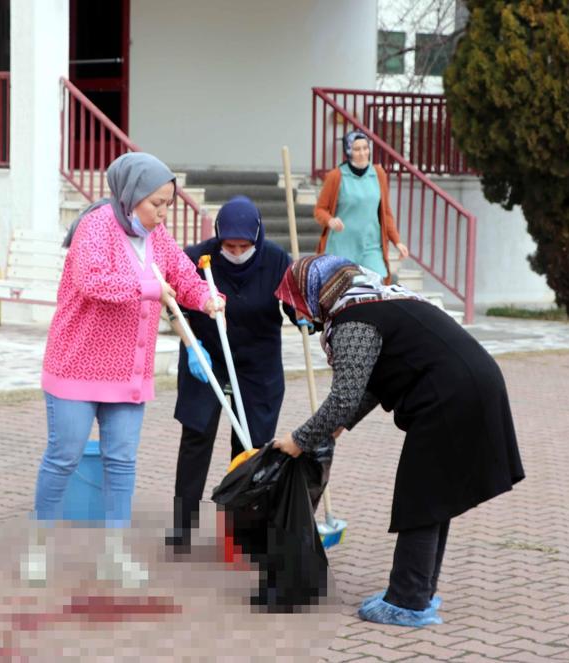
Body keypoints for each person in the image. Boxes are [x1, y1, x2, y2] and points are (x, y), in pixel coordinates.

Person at [272, 255, 525, 627]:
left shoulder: (352, 319)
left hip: (450, 398)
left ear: (315, 294)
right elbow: (373, 383)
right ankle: (418, 591)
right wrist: (332, 430)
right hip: (473, 386)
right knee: (434, 496)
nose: (302, 319)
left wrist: (299, 440)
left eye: (297, 308)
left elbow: (344, 396)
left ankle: (407, 600)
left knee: (420, 496)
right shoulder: (378, 299)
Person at [25, 152, 224, 588]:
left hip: (127, 372)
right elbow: (92, 280)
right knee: (64, 456)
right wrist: (150, 288)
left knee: (121, 463)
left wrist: (205, 298)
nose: (163, 213)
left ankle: (113, 554)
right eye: (157, 204)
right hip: (76, 364)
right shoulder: (96, 227)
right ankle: (38, 546)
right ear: (132, 196)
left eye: (168, 204)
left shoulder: (158, 236)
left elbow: (183, 274)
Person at [169, 196, 303, 543]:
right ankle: (183, 526)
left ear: (257, 238)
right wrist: (191, 346)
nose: (237, 250)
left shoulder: (275, 260)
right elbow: (174, 307)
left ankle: (238, 530)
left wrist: (302, 314)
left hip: (258, 361)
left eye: (244, 245)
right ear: (218, 237)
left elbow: (292, 305)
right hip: (207, 356)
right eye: (230, 244)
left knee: (252, 445)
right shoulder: (198, 257)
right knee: (196, 438)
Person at [314, 129, 409, 284]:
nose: (362, 153)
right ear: (348, 151)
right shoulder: (336, 176)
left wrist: (397, 241)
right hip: (341, 246)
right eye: (357, 149)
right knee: (344, 292)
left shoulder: (378, 174)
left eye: (365, 148)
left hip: (370, 246)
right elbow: (320, 210)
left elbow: (385, 213)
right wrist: (330, 220)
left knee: (378, 283)